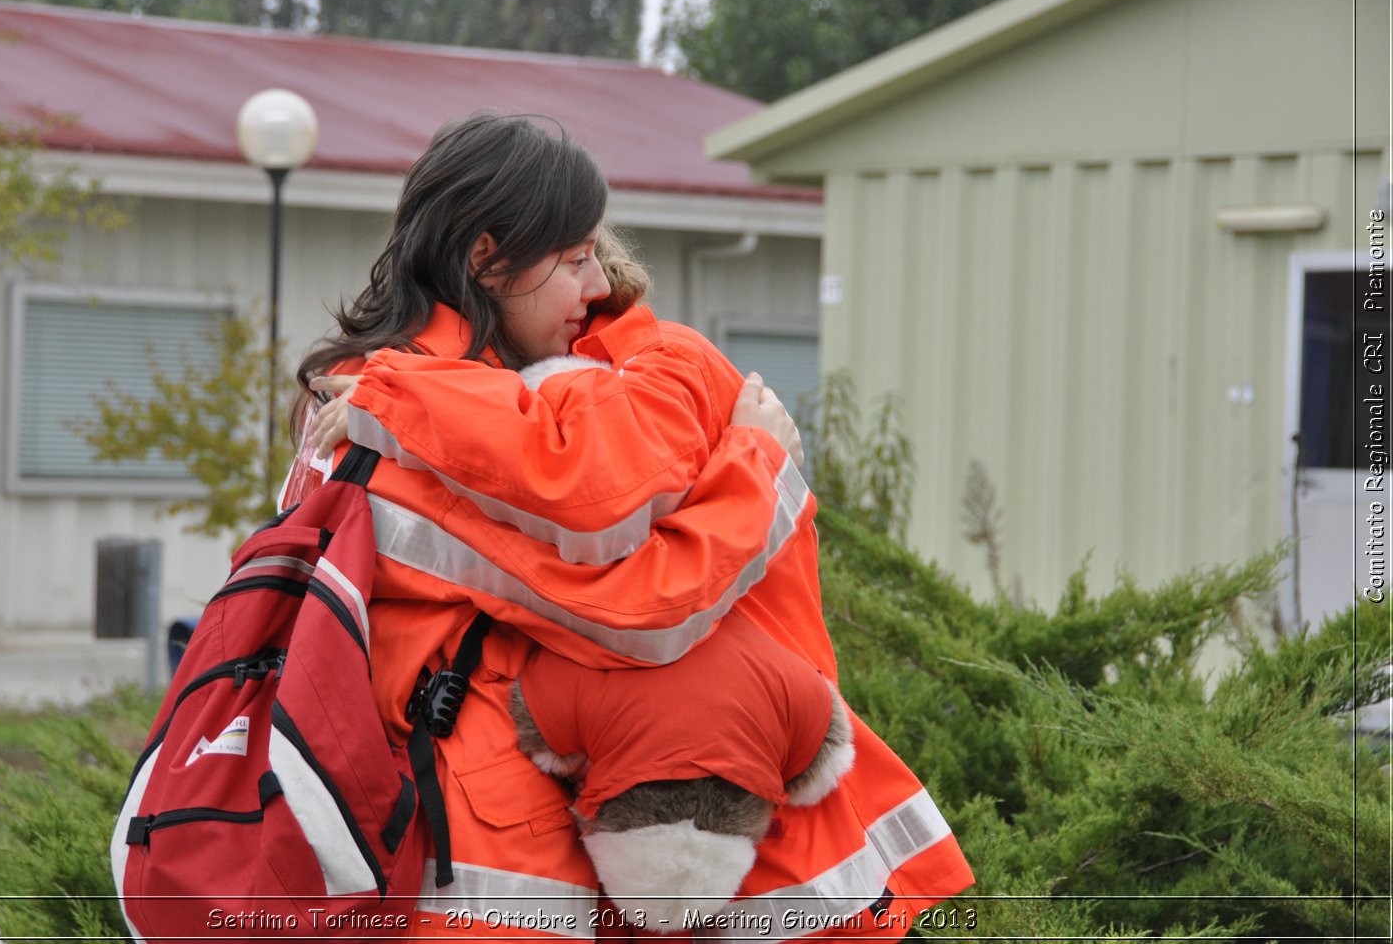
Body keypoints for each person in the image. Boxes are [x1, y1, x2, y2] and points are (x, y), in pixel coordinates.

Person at [284, 113, 973, 940]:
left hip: (572, 819)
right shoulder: (390, 417)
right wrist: (755, 462)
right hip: (504, 843)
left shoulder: (481, 397)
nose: (597, 285)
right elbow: (644, 606)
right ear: (486, 259)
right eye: (572, 259)